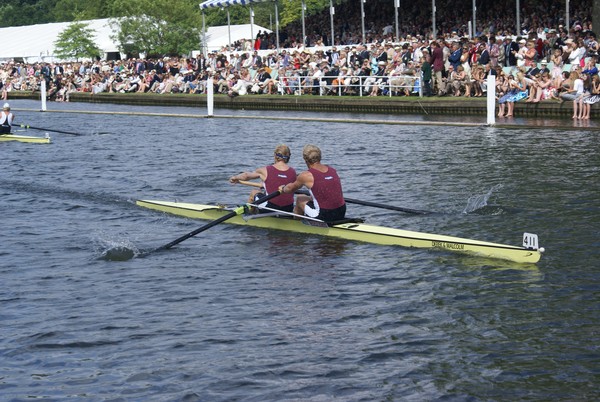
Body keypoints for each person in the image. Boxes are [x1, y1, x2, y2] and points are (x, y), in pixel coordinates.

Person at [279, 144, 346, 222]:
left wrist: (283, 189)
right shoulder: (332, 170)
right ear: (320, 157)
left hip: (325, 215)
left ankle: (297, 223)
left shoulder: (305, 176)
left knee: (300, 198)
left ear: (305, 159)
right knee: (311, 197)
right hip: (342, 211)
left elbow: (290, 189)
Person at [229, 144, 296, 213]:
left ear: (275, 156)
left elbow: (246, 175)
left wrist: (235, 177)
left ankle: (250, 215)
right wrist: (239, 182)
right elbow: (264, 185)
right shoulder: (293, 172)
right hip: (288, 209)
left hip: (270, 208)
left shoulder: (265, 170)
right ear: (288, 157)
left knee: (254, 192)